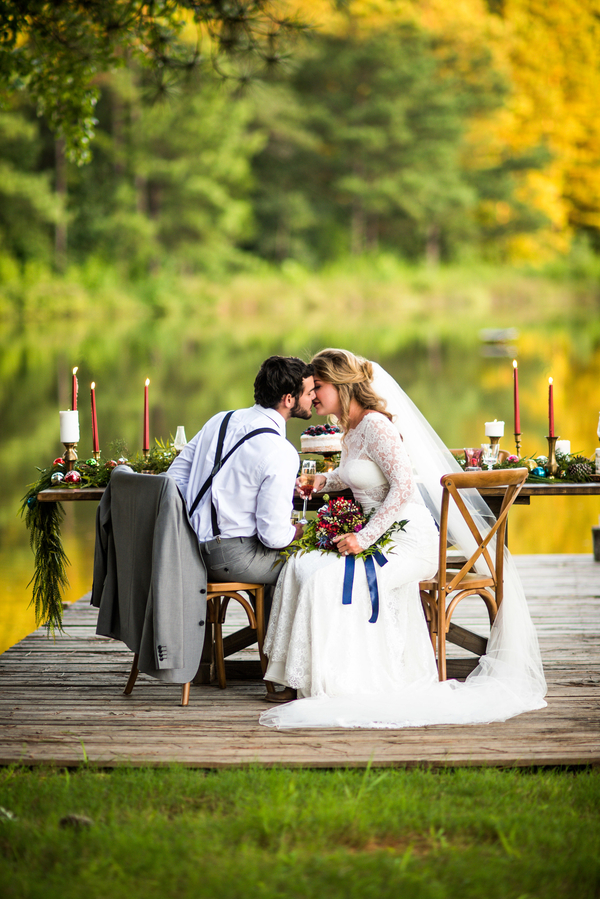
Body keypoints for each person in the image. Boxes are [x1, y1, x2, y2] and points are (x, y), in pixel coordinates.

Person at [260, 348, 547, 729]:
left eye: (319, 387)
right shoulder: (351, 427)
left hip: (407, 537)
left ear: (340, 386)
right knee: (300, 564)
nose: (313, 395)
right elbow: (357, 476)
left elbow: (401, 486)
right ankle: (292, 676)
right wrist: (322, 481)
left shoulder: (377, 425)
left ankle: (342, 679)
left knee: (328, 579)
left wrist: (365, 536)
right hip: (376, 532)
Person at [167, 355, 314, 587]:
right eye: (309, 392)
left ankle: (264, 624)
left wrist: (205, 514)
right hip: (231, 558)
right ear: (288, 399)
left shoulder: (221, 420)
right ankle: (268, 625)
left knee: (285, 561)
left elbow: (174, 478)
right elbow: (273, 536)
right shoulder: (280, 451)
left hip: (187, 548)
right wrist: (297, 532)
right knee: (308, 566)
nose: (314, 397)